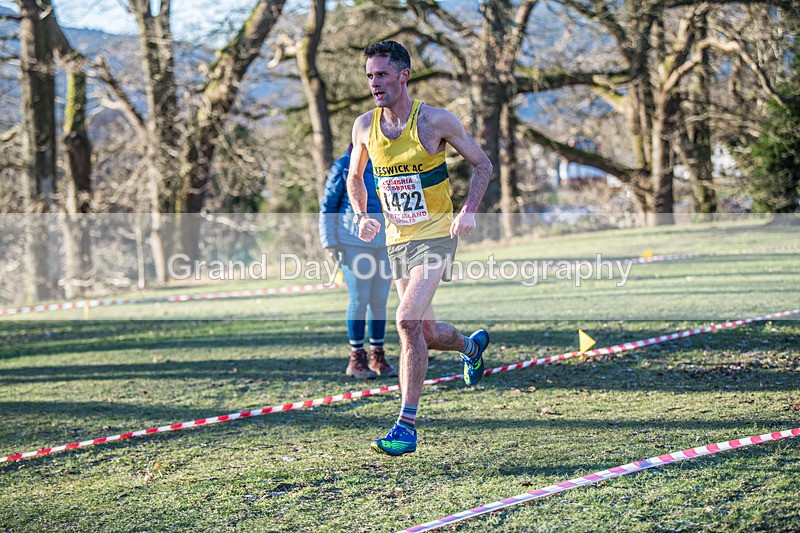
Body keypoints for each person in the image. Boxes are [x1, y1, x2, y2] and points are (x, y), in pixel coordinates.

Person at [346, 40, 493, 456]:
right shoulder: (364, 126)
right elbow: (354, 177)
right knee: (425, 332)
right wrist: (362, 214)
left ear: (403, 76)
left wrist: (468, 211)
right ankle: (471, 347)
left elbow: (482, 164)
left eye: (382, 74)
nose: (374, 83)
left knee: (406, 321)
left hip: (436, 235)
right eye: (370, 76)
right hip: (398, 240)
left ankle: (405, 426)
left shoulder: (434, 120)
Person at [319, 144, 396, 380]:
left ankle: (378, 356)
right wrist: (329, 242)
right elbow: (328, 206)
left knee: (379, 300)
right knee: (360, 299)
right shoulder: (343, 166)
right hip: (352, 242)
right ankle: (356, 358)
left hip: (385, 242)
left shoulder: (387, 161)